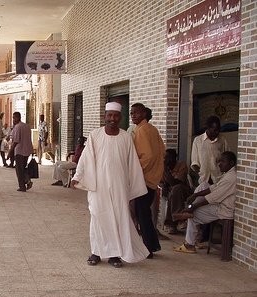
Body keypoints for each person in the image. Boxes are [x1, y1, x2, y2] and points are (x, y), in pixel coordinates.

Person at [71, 102, 149, 268]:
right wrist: (77, 176)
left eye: (116, 115)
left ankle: (114, 255)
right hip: (98, 187)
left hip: (119, 187)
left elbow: (132, 164)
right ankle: (96, 252)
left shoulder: (126, 137)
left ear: (120, 117)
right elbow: (85, 158)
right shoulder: (95, 135)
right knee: (98, 217)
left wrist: (132, 189)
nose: (112, 119)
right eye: (110, 115)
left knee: (117, 218)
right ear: (105, 116)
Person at [172, 151, 237, 254]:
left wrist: (193, 206)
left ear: (231, 162)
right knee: (203, 185)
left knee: (193, 214)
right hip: (221, 202)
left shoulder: (231, 177)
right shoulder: (228, 174)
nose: (219, 164)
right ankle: (194, 237)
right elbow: (213, 187)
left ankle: (190, 244)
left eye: (223, 162)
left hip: (225, 209)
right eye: (219, 161)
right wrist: (195, 195)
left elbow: (213, 197)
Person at [131, 102, 165, 258]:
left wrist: (137, 172)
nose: (133, 116)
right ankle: (152, 245)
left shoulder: (143, 131)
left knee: (142, 214)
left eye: (136, 113)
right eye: (131, 113)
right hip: (153, 177)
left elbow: (148, 156)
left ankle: (148, 249)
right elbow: (161, 151)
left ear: (144, 114)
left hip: (145, 179)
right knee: (144, 213)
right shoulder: (151, 129)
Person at [160, 149, 192, 234]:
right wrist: (162, 185)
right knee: (172, 194)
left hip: (183, 191)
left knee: (176, 189)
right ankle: (177, 222)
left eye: (169, 158)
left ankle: (172, 223)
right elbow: (159, 181)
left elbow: (174, 183)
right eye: (165, 158)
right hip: (171, 193)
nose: (167, 160)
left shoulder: (182, 166)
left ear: (175, 157)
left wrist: (166, 170)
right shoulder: (162, 167)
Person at [191, 116, 229, 184]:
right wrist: (200, 173)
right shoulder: (198, 140)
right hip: (203, 178)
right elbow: (194, 161)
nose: (217, 132)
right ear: (208, 128)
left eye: (218, 130)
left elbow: (227, 157)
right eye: (214, 130)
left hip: (218, 178)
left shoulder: (222, 140)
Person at [8, 112, 33, 192]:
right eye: (13, 118)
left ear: (18, 117)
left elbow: (16, 141)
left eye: (14, 118)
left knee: (19, 169)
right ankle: (27, 180)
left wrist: (10, 152)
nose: (13, 119)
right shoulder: (26, 126)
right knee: (23, 167)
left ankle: (22, 186)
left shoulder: (18, 127)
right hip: (27, 150)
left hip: (19, 151)